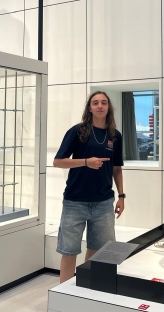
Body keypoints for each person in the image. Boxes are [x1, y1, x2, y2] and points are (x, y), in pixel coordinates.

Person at [53, 91, 125, 283]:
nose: (100, 106)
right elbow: (58, 162)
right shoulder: (77, 131)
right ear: (90, 108)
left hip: (103, 203)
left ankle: (88, 287)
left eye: (104, 102)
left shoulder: (115, 136)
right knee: (69, 251)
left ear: (109, 107)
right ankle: (65, 293)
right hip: (75, 202)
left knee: (99, 251)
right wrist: (86, 162)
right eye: (95, 103)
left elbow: (117, 169)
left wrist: (122, 196)